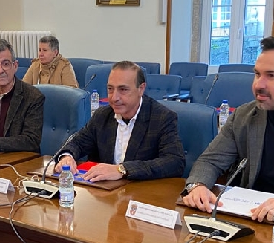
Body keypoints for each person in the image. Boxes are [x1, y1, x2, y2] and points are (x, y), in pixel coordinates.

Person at [182, 36, 274, 220]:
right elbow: (210, 161)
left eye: (271, 76)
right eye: (257, 74)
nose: (258, 84)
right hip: (249, 216)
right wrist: (198, 185)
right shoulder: (244, 115)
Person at [54, 61, 185, 182]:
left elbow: (175, 162)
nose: (114, 97)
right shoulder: (102, 115)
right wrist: (67, 157)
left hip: (140, 192)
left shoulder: (162, 117)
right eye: (110, 89)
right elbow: (77, 142)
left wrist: (122, 170)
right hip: (105, 192)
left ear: (141, 89)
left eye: (123, 89)